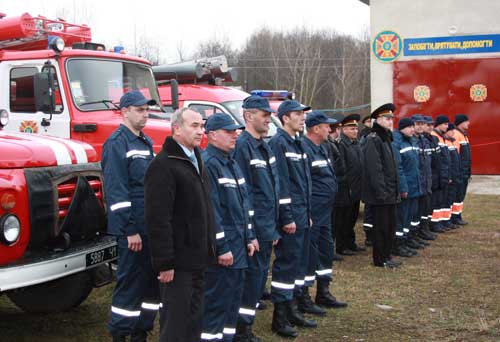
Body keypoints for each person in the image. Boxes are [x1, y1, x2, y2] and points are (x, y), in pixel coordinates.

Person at [145, 108, 216, 342]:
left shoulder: (196, 158)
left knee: (194, 320)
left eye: (202, 126)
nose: (200, 131)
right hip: (177, 263)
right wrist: (165, 263)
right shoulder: (163, 165)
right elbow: (158, 218)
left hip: (198, 258)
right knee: (175, 323)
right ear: (176, 128)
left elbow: (203, 208)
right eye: (194, 126)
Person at [102, 90, 160, 342]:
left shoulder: (144, 142)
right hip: (133, 230)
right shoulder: (117, 143)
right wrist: (128, 230)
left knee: (150, 284)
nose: (145, 114)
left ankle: (140, 332)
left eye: (147, 110)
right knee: (130, 286)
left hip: (150, 228)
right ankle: (120, 334)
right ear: (125, 112)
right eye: (140, 110)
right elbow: (116, 191)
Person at [200, 113, 259, 342]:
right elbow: (212, 213)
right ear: (212, 135)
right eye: (228, 131)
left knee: (232, 306)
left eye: (235, 130)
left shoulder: (231, 162)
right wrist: (222, 247)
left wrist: (251, 235)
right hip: (224, 253)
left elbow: (244, 205)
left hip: (240, 248)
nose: (235, 134)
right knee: (216, 307)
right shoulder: (209, 164)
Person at [233, 95, 281, 342]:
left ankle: (246, 325)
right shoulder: (243, 146)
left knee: (259, 278)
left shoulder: (265, 145)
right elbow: (244, 193)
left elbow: (271, 187)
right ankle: (242, 330)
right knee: (251, 280)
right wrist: (252, 230)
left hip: (267, 225)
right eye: (265, 115)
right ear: (249, 116)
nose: (269, 119)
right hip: (256, 227)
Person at [268, 99, 316, 338]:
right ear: (285, 118)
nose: (303, 118)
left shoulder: (297, 143)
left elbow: (304, 183)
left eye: (303, 114)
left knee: (298, 263)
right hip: (291, 216)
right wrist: (287, 217)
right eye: (298, 114)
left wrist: (306, 214)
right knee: (286, 265)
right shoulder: (279, 143)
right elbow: (282, 185)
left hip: (302, 213)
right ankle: (280, 315)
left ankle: (293, 308)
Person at [302, 110, 347, 311]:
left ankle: (324, 291)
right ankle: (304, 296)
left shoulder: (322, 148)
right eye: (327, 126)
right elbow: (304, 184)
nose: (331, 129)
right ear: (315, 128)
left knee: (326, 251)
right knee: (310, 255)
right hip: (313, 214)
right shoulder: (305, 149)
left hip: (325, 213)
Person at [361, 103, 401, 268]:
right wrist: (382, 192)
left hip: (390, 192)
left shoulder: (385, 138)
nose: (390, 121)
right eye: (386, 118)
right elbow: (375, 169)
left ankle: (387, 255)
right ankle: (380, 258)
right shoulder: (374, 139)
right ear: (377, 120)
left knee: (390, 227)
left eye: (391, 118)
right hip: (381, 194)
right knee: (381, 228)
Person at [391, 118, 423, 258]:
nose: (412, 129)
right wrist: (403, 188)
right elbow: (399, 168)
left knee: (410, 215)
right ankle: (397, 244)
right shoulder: (397, 143)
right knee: (401, 217)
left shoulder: (412, 141)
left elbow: (416, 166)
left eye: (413, 127)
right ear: (402, 128)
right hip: (406, 187)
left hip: (415, 186)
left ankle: (406, 239)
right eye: (409, 127)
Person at [335, 114, 365, 255]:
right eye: (351, 128)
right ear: (344, 129)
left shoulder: (356, 143)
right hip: (347, 189)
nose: (355, 131)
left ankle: (350, 242)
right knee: (344, 219)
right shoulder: (342, 145)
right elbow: (342, 168)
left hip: (357, 188)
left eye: (356, 128)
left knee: (352, 218)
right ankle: (341, 246)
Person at [325, 113, 348, 261]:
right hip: (332, 189)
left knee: (336, 221)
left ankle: (331, 249)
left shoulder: (334, 143)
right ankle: (329, 250)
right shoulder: (327, 145)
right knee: (331, 222)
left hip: (337, 187)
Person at [412, 114, 437, 242]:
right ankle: (416, 233)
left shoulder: (424, 141)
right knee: (415, 211)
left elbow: (429, 163)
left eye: (422, 124)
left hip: (426, 182)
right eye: (418, 124)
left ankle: (424, 230)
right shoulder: (412, 141)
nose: (421, 126)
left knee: (425, 208)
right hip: (418, 182)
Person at [430, 116, 452, 232]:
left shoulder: (442, 137)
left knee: (441, 199)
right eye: (445, 124)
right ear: (439, 124)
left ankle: (439, 222)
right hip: (436, 175)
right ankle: (434, 224)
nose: (447, 126)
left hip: (442, 175)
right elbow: (437, 160)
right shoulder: (435, 137)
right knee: (436, 200)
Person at [452, 114, 471, 225]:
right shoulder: (456, 135)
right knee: (457, 195)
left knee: (461, 195)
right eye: (466, 121)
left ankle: (458, 216)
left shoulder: (464, 135)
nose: (468, 123)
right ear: (460, 123)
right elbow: (455, 155)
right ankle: (454, 217)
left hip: (465, 172)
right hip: (460, 172)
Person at [444, 123, 462, 230]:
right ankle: (446, 220)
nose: (453, 133)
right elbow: (447, 163)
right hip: (449, 177)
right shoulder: (446, 143)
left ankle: (449, 218)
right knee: (446, 200)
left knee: (451, 198)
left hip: (455, 175)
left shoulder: (452, 142)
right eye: (451, 131)